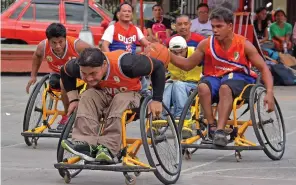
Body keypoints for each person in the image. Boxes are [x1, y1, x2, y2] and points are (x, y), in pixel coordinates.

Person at [169, 7, 275, 147]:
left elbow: (263, 68)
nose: (215, 30)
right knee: (202, 87)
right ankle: (212, 126)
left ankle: (220, 130)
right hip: (215, 77)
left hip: (239, 78)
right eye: (213, 26)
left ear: (230, 26)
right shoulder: (206, 44)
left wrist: (269, 92)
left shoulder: (244, 44)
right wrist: (166, 54)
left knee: (225, 87)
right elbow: (188, 64)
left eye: (219, 26)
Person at [60, 47, 167, 163]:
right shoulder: (79, 66)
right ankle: (85, 144)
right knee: (87, 95)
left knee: (120, 98)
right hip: (105, 94)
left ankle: (108, 147)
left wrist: (157, 100)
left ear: (104, 65)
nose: (88, 78)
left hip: (133, 95)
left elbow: (159, 66)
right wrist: (73, 100)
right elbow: (64, 71)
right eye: (84, 74)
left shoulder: (128, 64)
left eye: (93, 73)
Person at [25, 23, 91, 131]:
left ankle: (67, 115)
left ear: (65, 38)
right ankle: (67, 114)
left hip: (77, 75)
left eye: (60, 42)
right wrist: (33, 76)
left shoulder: (77, 45)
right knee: (60, 81)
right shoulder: (43, 46)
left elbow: (94, 56)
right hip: (57, 73)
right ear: (48, 41)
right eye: (54, 43)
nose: (58, 46)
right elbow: (37, 56)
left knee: (63, 81)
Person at [164, 36, 202, 138]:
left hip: (194, 84)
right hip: (175, 82)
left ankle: (183, 116)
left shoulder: (195, 52)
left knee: (178, 84)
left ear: (185, 49)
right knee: (166, 85)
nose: (178, 55)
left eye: (180, 52)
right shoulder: (166, 53)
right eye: (174, 53)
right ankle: (161, 116)